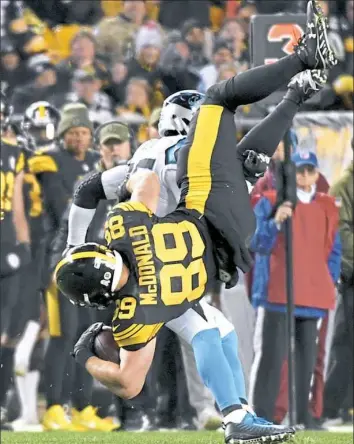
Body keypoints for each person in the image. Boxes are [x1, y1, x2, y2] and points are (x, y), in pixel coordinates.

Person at [55, 3, 337, 442]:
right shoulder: (151, 175)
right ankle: (302, 64)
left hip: (202, 259)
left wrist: (79, 244)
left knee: (216, 330)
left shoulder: (133, 303)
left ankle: (237, 415)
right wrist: (88, 240)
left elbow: (92, 187)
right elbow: (115, 185)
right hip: (201, 224)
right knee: (221, 103)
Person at [248, 151, 342, 428]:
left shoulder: (327, 206)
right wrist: (276, 221)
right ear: (290, 173)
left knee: (306, 362)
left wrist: (327, 279)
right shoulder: (269, 202)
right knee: (271, 360)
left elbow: (333, 250)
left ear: (316, 174)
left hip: (312, 294)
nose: (304, 176)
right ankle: (261, 417)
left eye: (309, 170)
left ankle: (304, 416)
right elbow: (256, 243)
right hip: (277, 293)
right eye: (300, 170)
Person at [27, 104, 100, 430]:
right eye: (73, 132)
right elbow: (60, 211)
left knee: (88, 336)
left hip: (88, 261)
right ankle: (54, 406)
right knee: (62, 335)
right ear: (63, 134)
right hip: (59, 260)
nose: (79, 138)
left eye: (84, 132)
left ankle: (82, 408)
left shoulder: (94, 163)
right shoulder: (50, 162)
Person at [0, 91, 31, 430]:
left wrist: (24, 245)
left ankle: (1, 406)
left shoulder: (15, 154)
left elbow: (18, 206)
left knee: (9, 334)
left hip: (8, 244)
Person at [323, 151, 353, 425]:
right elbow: (340, 232)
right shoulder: (344, 184)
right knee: (345, 341)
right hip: (352, 272)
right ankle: (332, 406)